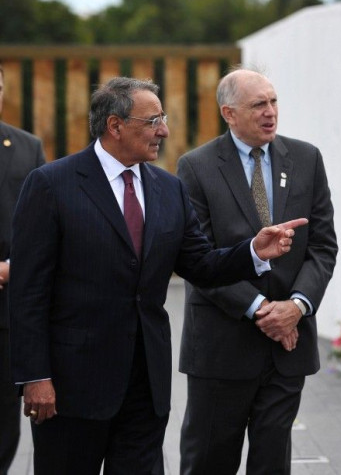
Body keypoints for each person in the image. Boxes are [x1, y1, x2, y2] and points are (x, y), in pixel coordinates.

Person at [8, 76, 306, 475]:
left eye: (162, 119)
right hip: (70, 388)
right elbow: (28, 292)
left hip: (145, 387)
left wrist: (253, 251)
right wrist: (35, 376)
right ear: (115, 126)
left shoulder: (168, 189)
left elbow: (199, 265)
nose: (164, 131)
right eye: (153, 121)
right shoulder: (51, 185)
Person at [177, 68, 337, 474]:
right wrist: (262, 309)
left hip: (288, 345)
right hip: (221, 347)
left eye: (274, 101)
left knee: (272, 463)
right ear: (229, 113)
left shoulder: (305, 158)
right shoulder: (196, 167)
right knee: (211, 461)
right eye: (258, 105)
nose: (271, 112)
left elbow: (322, 246)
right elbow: (198, 257)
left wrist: (296, 307)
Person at [0, 63, 46, 475]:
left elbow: (42, 227)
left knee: (4, 425)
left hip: (7, 313)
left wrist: (13, 267)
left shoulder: (27, 147)